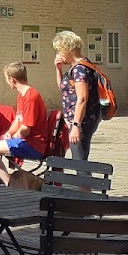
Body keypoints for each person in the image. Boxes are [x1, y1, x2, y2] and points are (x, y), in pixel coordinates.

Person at [0, 62, 48, 183]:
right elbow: (18, 119)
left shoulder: (31, 97)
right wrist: (9, 133)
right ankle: (7, 181)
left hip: (33, 145)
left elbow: (25, 129)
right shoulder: (22, 95)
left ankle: (9, 183)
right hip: (26, 141)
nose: (7, 82)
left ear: (12, 79)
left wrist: (11, 139)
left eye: (7, 79)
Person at [52, 30, 102, 161]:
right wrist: (58, 69)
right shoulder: (76, 67)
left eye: (59, 50)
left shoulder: (80, 68)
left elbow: (82, 98)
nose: (58, 53)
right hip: (78, 120)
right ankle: (84, 181)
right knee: (80, 160)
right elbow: (63, 88)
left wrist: (76, 126)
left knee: (79, 162)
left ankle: (87, 182)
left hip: (83, 121)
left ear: (67, 49)